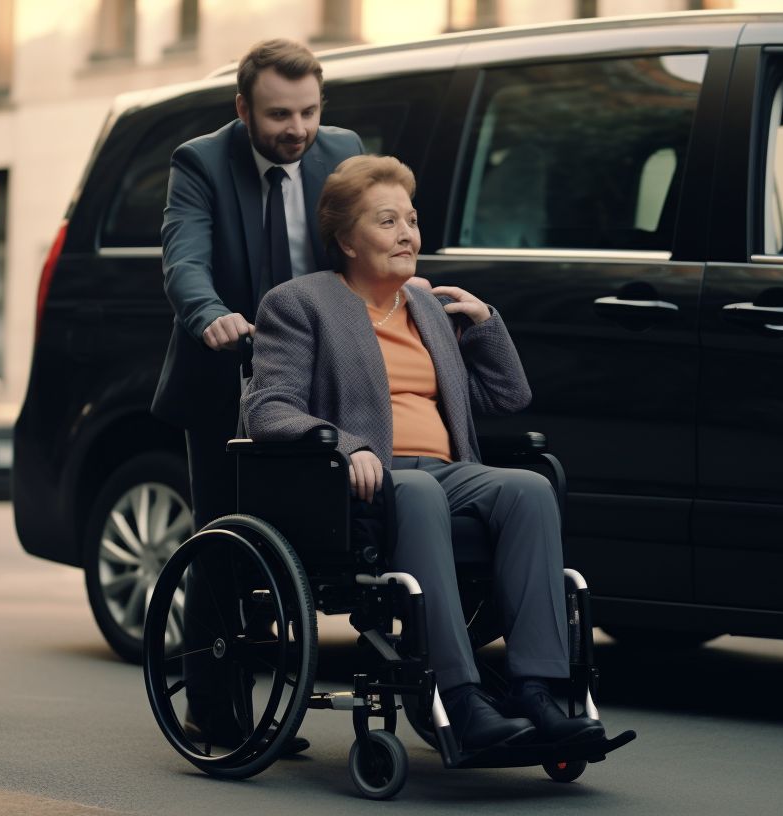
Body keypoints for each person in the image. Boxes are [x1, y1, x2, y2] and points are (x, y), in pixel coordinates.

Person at [243, 155, 605, 751]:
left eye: (411, 219)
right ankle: (457, 697)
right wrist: (348, 446)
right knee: (417, 490)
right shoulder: (300, 303)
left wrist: (486, 325)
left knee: (529, 488)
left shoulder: (427, 306)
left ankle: (538, 690)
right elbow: (268, 409)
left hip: (446, 472)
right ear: (345, 239)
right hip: (361, 480)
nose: (407, 233)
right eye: (387, 222)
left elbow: (508, 396)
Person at [153, 38, 364, 755]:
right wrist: (210, 314)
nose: (297, 130)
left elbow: (369, 240)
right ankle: (212, 709)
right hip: (226, 381)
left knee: (313, 540)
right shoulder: (202, 161)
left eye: (308, 112)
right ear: (243, 108)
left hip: (318, 380)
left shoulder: (343, 152)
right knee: (224, 540)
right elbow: (184, 256)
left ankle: (284, 685)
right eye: (279, 115)